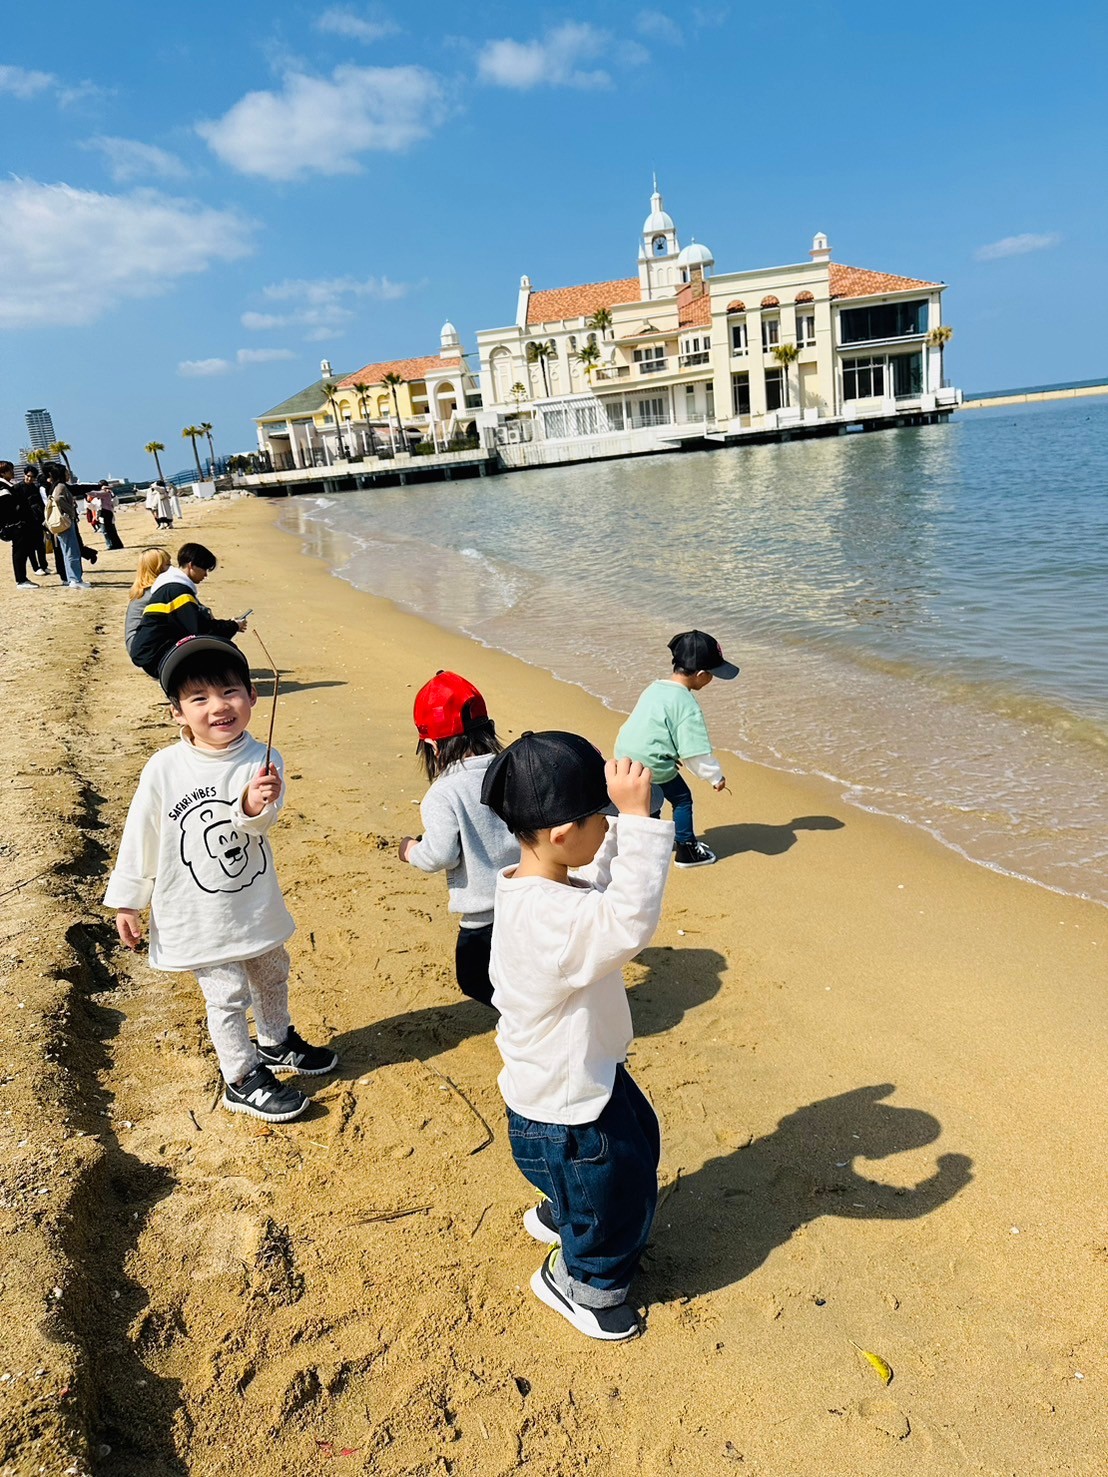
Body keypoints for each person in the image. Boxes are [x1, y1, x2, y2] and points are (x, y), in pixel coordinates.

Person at [481, 733, 673, 1341]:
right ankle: (580, 1281)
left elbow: (602, 879)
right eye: (601, 817)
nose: (609, 826)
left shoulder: (539, 882)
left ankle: (566, 1207)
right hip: (563, 1114)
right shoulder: (552, 919)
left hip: (576, 1081)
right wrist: (639, 824)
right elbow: (627, 919)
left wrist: (633, 819)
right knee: (618, 1186)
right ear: (564, 833)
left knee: (638, 1141)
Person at [104, 635, 338, 1122]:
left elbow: (262, 823)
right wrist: (128, 900)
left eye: (230, 691)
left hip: (252, 900)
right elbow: (141, 833)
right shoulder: (164, 768)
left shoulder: (262, 758)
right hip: (196, 910)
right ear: (177, 712)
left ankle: (275, 1040)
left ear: (252, 696)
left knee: (272, 969)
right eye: (199, 698)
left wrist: (254, 803)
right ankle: (241, 1075)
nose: (218, 707)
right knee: (226, 992)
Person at [398, 671, 519, 1009]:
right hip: (527, 898)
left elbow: (441, 854)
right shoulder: (510, 770)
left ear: (432, 745)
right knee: (521, 972)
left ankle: (530, 1021)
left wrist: (410, 850)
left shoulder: (443, 793)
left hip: (484, 914)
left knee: (474, 980)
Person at [614, 629, 739, 869]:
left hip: (626, 754)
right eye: (712, 674)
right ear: (701, 675)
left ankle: (648, 842)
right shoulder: (687, 704)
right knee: (682, 799)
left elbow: (652, 726)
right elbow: (695, 752)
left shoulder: (655, 687)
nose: (712, 679)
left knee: (650, 797)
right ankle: (686, 849)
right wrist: (715, 777)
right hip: (652, 760)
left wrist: (669, 751)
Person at [129, 542, 247, 678]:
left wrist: (229, 625)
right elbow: (201, 630)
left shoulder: (170, 587)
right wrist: (233, 626)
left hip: (152, 652)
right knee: (222, 655)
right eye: (204, 569)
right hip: (156, 656)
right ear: (191, 566)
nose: (206, 575)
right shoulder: (178, 591)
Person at [43, 465, 91, 590]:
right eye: (66, 472)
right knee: (72, 551)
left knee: (67, 551)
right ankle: (76, 579)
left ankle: (72, 579)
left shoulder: (55, 486)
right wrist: (69, 512)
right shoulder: (61, 486)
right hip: (66, 522)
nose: (68, 474)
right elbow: (58, 500)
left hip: (61, 523)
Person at [124, 548, 171, 655]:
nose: (171, 568)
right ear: (156, 567)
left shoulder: (143, 590)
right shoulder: (154, 592)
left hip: (138, 643)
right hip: (141, 646)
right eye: (168, 565)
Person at [21, 467, 49, 573]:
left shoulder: (35, 488)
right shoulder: (18, 488)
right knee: (30, 547)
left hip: (37, 520)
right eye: (28, 476)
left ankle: (44, 565)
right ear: (24, 475)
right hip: (25, 521)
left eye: (32, 477)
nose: (29, 479)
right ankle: (36, 567)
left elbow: (41, 503)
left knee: (40, 545)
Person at [93, 481, 125, 550]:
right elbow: (94, 506)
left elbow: (115, 503)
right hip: (101, 515)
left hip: (108, 514)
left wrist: (112, 495)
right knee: (105, 532)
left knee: (111, 531)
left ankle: (116, 545)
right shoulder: (98, 496)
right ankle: (111, 544)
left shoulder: (109, 494)